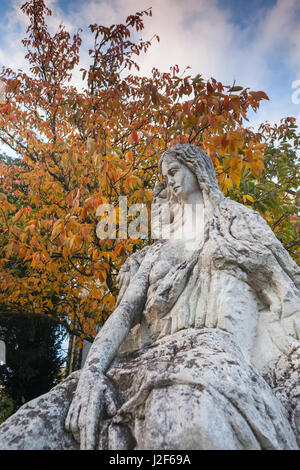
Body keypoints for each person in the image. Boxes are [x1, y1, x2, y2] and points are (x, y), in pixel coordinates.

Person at [0, 144, 299, 450]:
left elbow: (284, 291)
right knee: (25, 430)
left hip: (208, 353)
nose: (169, 181)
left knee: (182, 423)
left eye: (174, 171)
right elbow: (126, 311)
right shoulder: (155, 253)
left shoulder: (235, 222)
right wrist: (91, 372)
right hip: (138, 362)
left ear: (197, 170)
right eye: (164, 176)